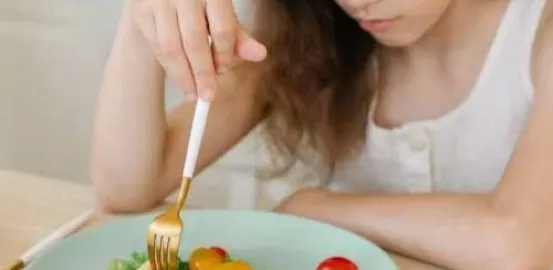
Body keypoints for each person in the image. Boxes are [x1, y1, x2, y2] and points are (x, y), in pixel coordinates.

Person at [90, 0, 553, 268]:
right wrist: (143, 22)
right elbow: (127, 188)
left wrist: (314, 207)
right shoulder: (313, 28)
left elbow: (520, 245)